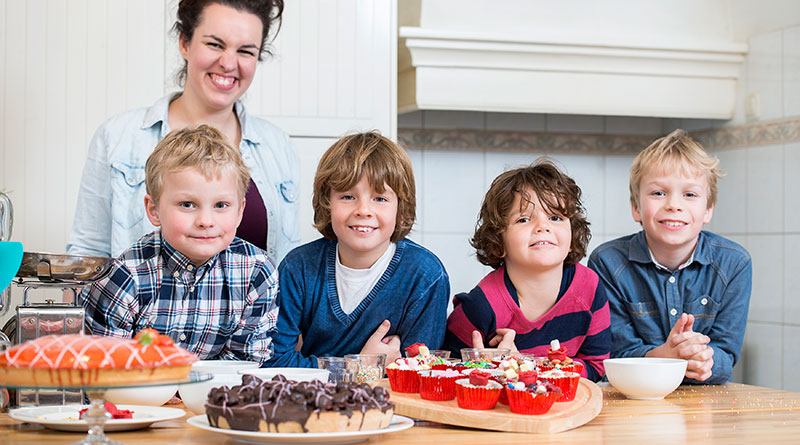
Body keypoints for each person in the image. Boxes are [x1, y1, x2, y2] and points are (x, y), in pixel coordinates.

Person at [67, 0, 299, 264]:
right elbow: (86, 255)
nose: (228, 63)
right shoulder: (119, 137)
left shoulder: (278, 146)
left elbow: (289, 263)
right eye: (215, 44)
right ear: (185, 43)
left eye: (245, 51)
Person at [80, 125, 278, 364]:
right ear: (153, 210)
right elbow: (105, 368)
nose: (205, 221)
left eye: (221, 205)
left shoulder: (257, 271)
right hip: (135, 395)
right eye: (187, 204)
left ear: (240, 212)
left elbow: (245, 362)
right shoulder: (124, 275)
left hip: (216, 396)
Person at [267, 131, 450, 368]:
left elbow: (420, 373)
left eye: (380, 199)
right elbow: (274, 362)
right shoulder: (298, 267)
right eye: (348, 196)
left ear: (401, 208)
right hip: (312, 403)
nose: (363, 210)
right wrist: (358, 367)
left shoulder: (425, 276)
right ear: (326, 202)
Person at [588, 129, 752, 384]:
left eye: (690, 194)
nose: (674, 205)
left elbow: (726, 356)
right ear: (635, 208)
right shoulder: (607, 262)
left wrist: (704, 358)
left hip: (704, 402)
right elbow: (614, 355)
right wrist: (665, 357)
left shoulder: (734, 263)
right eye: (658, 193)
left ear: (708, 209)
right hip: (633, 398)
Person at [443, 159, 610, 382]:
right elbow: (444, 368)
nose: (543, 226)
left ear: (572, 236)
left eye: (555, 217)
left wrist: (526, 365)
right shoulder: (481, 306)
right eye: (523, 219)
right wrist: (485, 367)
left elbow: (597, 366)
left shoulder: (590, 287)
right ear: (499, 241)